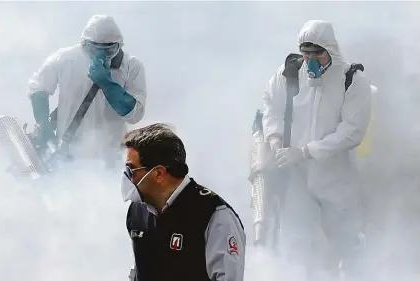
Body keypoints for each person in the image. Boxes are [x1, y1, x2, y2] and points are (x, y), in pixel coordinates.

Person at [261, 20, 372, 280]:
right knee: (295, 242)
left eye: (317, 53)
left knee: (345, 240)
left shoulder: (351, 80)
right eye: (306, 53)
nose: (310, 60)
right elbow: (270, 105)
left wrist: (307, 151)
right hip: (295, 174)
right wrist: (275, 138)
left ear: (330, 50)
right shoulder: (288, 73)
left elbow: (352, 132)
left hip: (335, 176)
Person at [121, 123, 246, 281]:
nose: (127, 178)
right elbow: (138, 270)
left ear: (159, 173)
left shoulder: (214, 215)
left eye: (131, 170)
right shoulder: (137, 212)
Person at [27, 14, 147, 168]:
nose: (100, 55)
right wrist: (44, 125)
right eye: (93, 49)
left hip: (110, 156)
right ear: (83, 44)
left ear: (119, 46)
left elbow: (135, 114)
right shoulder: (65, 59)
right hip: (68, 152)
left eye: (108, 50)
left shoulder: (131, 66)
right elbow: (38, 87)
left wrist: (107, 83)